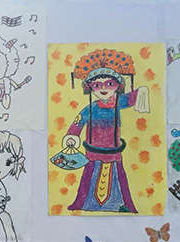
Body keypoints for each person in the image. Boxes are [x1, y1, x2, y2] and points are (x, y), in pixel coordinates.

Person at [62, 49, 149, 213]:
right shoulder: (91, 108)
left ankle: (122, 205)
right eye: (97, 85)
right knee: (89, 177)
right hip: (93, 152)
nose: (103, 88)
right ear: (90, 88)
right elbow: (78, 122)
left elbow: (132, 98)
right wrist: (72, 136)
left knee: (118, 178)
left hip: (113, 152)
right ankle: (84, 204)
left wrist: (142, 90)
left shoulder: (118, 102)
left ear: (118, 86)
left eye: (109, 84)